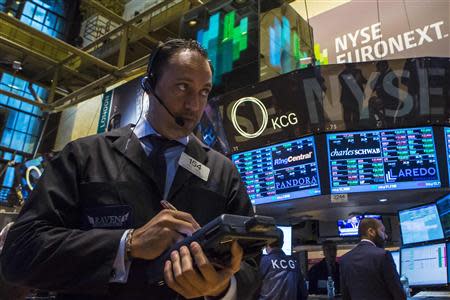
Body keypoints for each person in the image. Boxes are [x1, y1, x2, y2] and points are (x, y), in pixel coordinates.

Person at [0, 39, 259, 300]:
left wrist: (222, 288)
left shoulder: (223, 172)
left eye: (204, 91)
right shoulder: (83, 155)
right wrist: (127, 243)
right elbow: (20, 253)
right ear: (149, 86)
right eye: (183, 87)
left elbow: (253, 266)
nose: (194, 106)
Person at [340, 218, 406, 300]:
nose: (386, 236)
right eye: (382, 231)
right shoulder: (383, 255)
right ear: (371, 231)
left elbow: (346, 296)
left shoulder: (345, 259)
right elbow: (398, 293)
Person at [257, 228, 308, 300]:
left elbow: (252, 290)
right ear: (283, 243)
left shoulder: (263, 262)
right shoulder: (294, 263)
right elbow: (303, 294)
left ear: (266, 243)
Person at [338, 63, 367, 129]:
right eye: (351, 66)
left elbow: (363, 80)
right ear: (347, 66)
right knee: (347, 116)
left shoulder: (358, 72)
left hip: (356, 97)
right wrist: (356, 80)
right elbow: (347, 86)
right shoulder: (342, 75)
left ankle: (356, 127)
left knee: (356, 115)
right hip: (347, 99)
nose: (353, 68)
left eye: (353, 66)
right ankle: (348, 129)